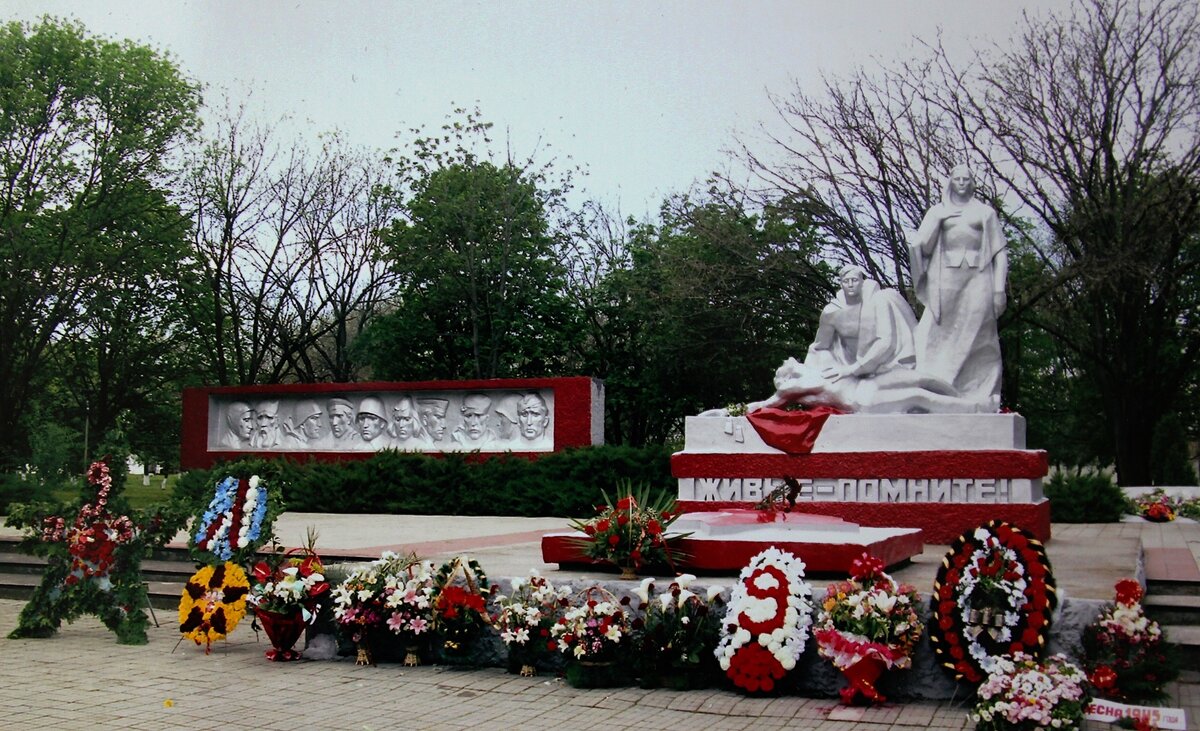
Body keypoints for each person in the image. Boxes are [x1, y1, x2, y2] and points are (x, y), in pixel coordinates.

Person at [908, 164, 1007, 408]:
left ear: (973, 183)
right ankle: (934, 386)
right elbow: (922, 247)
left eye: (967, 179)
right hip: (946, 277)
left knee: (981, 330)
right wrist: (937, 221)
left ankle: (981, 392)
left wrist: (998, 289)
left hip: (978, 275)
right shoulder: (937, 211)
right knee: (932, 328)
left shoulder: (985, 213)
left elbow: (1000, 253)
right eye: (958, 179)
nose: (962, 183)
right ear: (951, 182)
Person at [806, 265, 918, 382]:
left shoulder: (879, 301)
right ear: (841, 284)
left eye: (854, 280)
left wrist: (853, 369)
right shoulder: (832, 312)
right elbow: (819, 347)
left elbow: (886, 343)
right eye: (846, 281)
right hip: (851, 371)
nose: (850, 285)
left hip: (885, 366)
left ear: (862, 282)